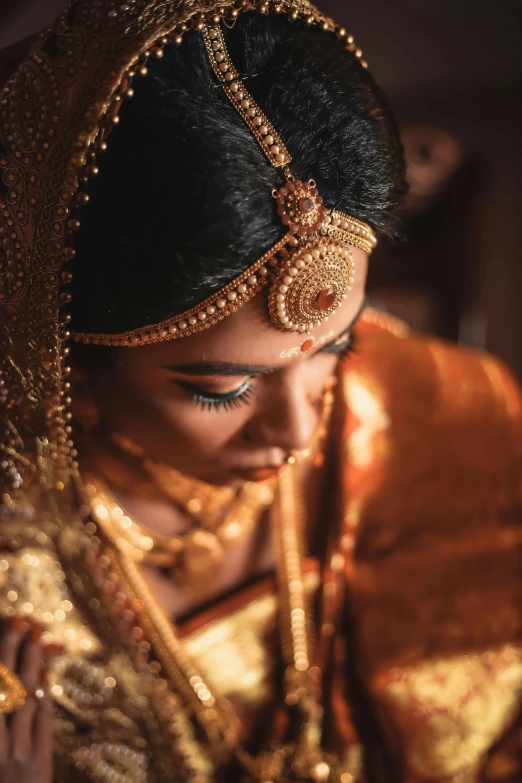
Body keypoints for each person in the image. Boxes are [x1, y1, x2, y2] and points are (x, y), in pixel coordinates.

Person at [0, 1, 521, 782]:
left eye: (333, 348)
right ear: (60, 359)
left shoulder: (437, 415)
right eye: (225, 387)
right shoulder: (21, 576)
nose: (298, 430)